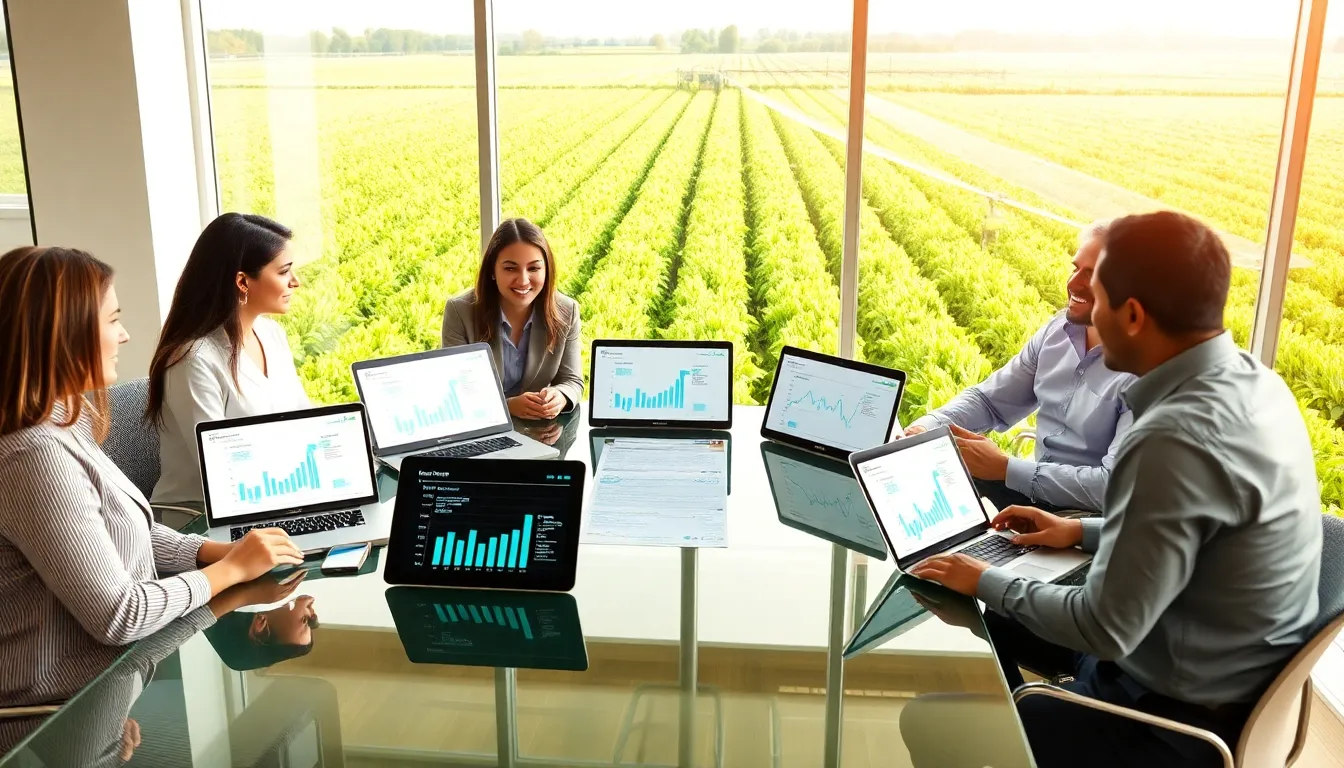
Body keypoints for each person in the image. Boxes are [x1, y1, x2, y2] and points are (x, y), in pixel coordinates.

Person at [910, 211, 1323, 768]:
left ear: (1130, 315)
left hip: (1170, 720)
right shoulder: (1257, 384)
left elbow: (1102, 626)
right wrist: (1078, 530)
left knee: (930, 717)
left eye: (1098, 299)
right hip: (1221, 670)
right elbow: (1203, 533)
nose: (1085, 314)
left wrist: (986, 578)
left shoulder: (1170, 438)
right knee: (990, 618)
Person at [0, 245, 305, 714]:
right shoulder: (33, 455)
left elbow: (126, 529)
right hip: (54, 716)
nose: (124, 336)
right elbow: (119, 616)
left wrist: (211, 551)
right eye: (112, 319)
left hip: (112, 689)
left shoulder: (65, 421)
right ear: (61, 335)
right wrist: (228, 573)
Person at [905, 221, 1135, 513]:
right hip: (1034, 497)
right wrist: (927, 427)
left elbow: (1111, 487)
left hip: (1087, 521)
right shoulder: (1056, 333)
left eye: (1092, 276)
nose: (1073, 284)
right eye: (1075, 268)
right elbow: (989, 402)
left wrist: (1005, 468)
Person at [146, 213, 310, 505]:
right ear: (243, 282)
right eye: (284, 272)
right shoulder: (193, 360)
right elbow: (221, 470)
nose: (295, 282)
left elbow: (303, 419)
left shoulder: (271, 334)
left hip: (278, 496)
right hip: (204, 523)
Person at [441, 218, 583, 421]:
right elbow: (455, 389)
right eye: (510, 268)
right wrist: (507, 407)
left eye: (534, 268)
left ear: (546, 270)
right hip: (480, 427)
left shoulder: (566, 310)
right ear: (492, 270)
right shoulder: (460, 311)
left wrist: (559, 396)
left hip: (541, 432)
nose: (523, 280)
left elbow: (571, 380)